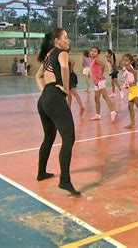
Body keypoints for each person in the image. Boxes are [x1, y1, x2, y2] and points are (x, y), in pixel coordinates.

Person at [34, 28, 80, 196]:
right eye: (66, 38)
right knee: (69, 139)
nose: (69, 41)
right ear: (57, 41)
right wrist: (66, 89)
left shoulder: (47, 56)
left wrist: (45, 91)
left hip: (44, 100)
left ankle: (41, 173)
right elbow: (64, 68)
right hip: (54, 98)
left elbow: (38, 76)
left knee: (49, 138)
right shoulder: (61, 53)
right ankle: (65, 180)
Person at [89, 46, 117, 122]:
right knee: (96, 98)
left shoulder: (96, 60)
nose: (92, 52)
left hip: (100, 81)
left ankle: (113, 112)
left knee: (105, 97)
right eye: (92, 50)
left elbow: (103, 65)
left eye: (95, 51)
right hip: (96, 82)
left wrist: (101, 74)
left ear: (98, 53)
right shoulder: (92, 60)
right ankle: (98, 115)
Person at [121, 54, 138, 129]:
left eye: (126, 60)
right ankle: (132, 123)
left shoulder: (128, 67)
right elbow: (127, 76)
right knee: (130, 107)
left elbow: (135, 73)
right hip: (131, 89)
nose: (124, 62)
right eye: (123, 60)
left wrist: (135, 82)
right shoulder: (125, 68)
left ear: (131, 62)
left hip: (134, 88)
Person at [67, 52, 85, 116]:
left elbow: (73, 62)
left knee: (74, 92)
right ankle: (68, 109)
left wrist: (70, 70)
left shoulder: (66, 57)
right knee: (69, 94)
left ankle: (81, 106)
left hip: (71, 76)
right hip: (67, 77)